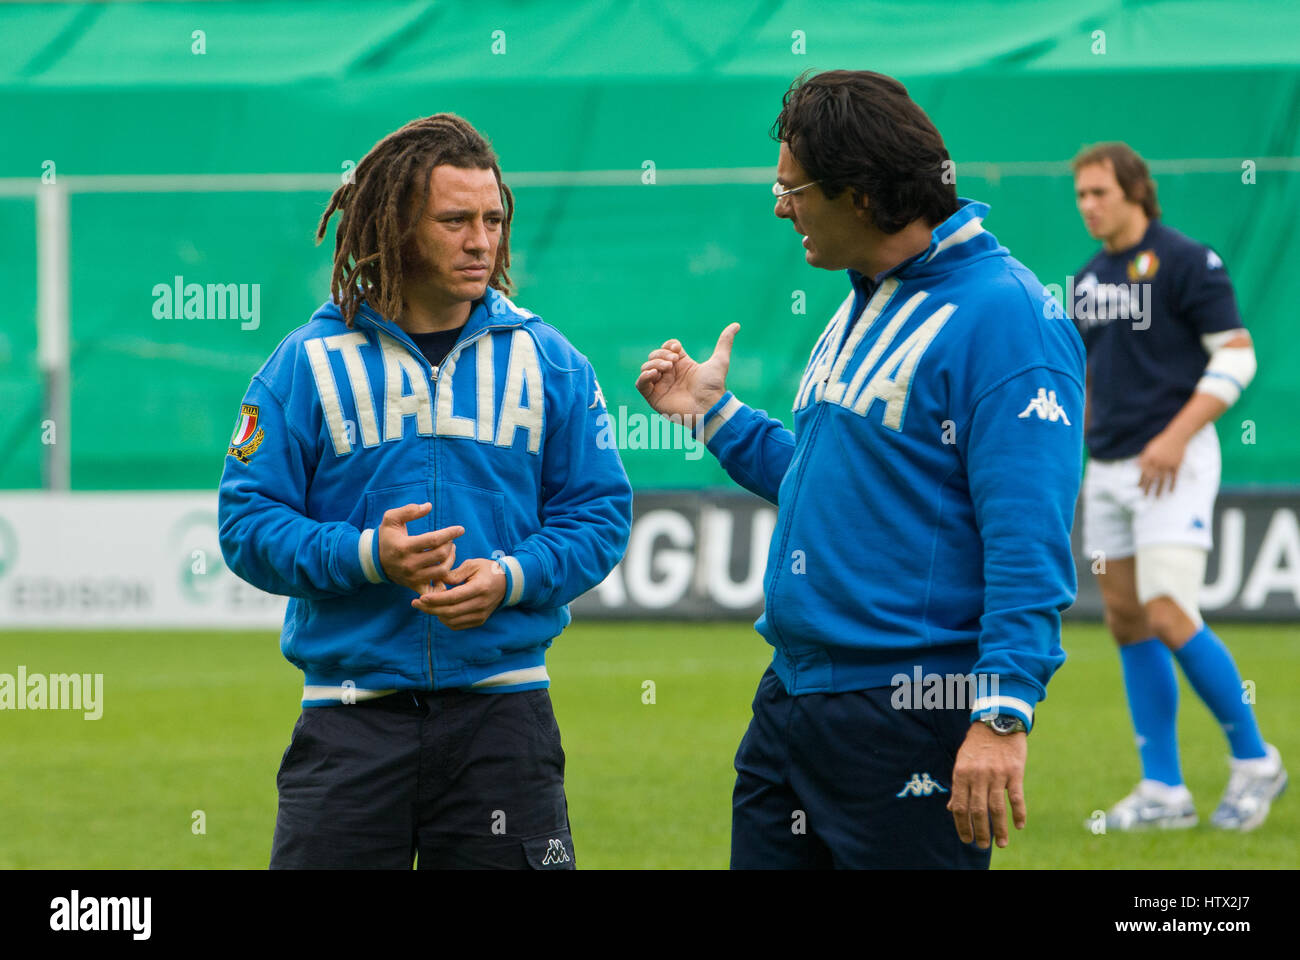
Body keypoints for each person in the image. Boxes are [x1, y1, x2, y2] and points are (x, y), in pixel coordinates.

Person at [635, 70, 1085, 868]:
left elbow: (1028, 537)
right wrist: (715, 416)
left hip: (910, 711)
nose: (781, 207)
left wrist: (1002, 712)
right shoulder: (863, 299)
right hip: (794, 701)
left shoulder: (1009, 317)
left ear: (863, 194)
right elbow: (829, 486)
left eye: (794, 188)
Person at [218, 113, 632, 869]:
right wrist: (368, 555)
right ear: (400, 225)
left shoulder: (551, 362)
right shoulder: (303, 365)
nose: (482, 241)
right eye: (455, 220)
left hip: (504, 722)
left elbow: (600, 515)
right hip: (347, 724)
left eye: (493, 219)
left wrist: (512, 577)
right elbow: (246, 523)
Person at [1071, 142, 1286, 831]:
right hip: (1105, 470)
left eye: (1100, 192)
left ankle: (1256, 762)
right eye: (1080, 196)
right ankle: (1163, 790)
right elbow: (1090, 377)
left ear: (1136, 189)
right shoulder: (1086, 280)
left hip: (1175, 463)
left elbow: (1238, 356)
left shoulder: (1191, 260)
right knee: (1127, 620)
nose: (1089, 206)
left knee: (1167, 611)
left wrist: (1173, 435)